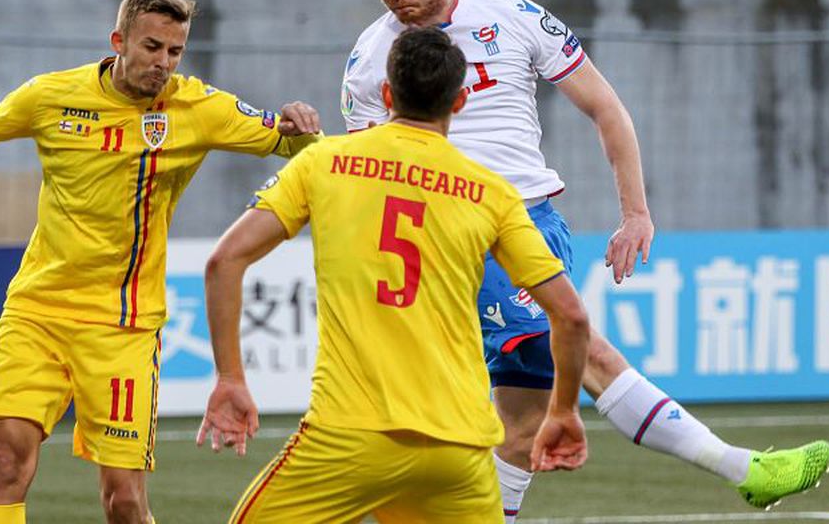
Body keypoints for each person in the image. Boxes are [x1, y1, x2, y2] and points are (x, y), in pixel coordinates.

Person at [341, 0, 829, 520]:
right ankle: (745, 469)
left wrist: (636, 213)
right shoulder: (369, 59)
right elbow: (368, 173)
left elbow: (606, 108)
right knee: (586, 351)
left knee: (521, 424)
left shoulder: (514, 17)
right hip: (457, 238)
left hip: (535, 224)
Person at [0, 0, 322, 524]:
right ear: (119, 41)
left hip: (122, 328)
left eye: (175, 51)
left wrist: (302, 125)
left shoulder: (199, 107)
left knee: (123, 501)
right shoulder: (52, 96)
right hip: (37, 312)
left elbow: (293, 145)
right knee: (6, 462)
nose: (164, 62)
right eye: (152, 47)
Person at [196, 27, 591, 523]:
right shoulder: (492, 193)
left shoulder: (324, 162)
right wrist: (563, 410)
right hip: (459, 450)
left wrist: (231, 378)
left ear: (386, 94)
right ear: (460, 101)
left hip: (349, 437)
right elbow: (571, 317)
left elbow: (224, 262)